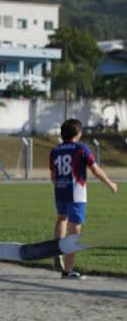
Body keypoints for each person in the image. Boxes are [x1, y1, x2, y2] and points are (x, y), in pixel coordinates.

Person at [49, 119, 118, 279]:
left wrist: (61, 185)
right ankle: (68, 270)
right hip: (76, 193)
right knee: (75, 230)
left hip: (60, 190)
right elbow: (95, 170)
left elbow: (53, 176)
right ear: (78, 133)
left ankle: (56, 251)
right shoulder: (81, 149)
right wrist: (110, 183)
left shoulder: (55, 150)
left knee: (61, 219)